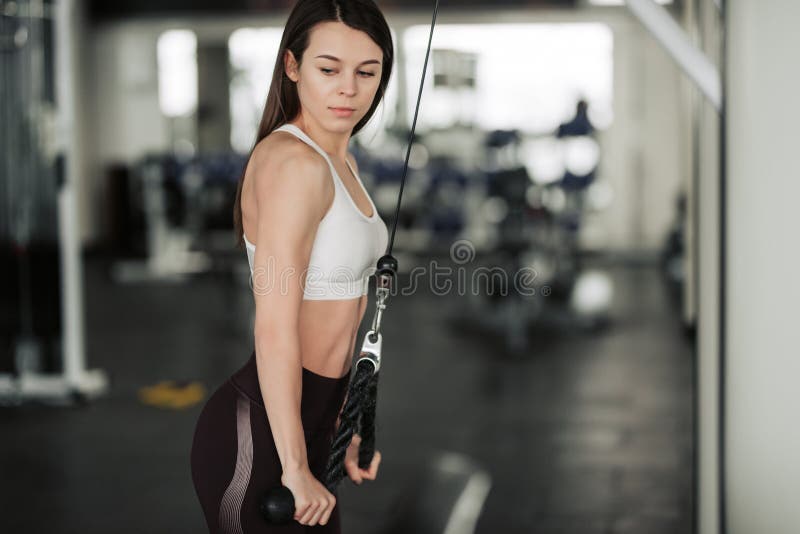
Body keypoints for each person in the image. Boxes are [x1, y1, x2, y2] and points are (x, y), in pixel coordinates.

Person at [190, 1, 392, 531]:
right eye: (329, 69)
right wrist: (296, 466)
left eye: (367, 72)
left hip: (315, 422)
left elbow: (347, 310)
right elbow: (276, 328)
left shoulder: (340, 161)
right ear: (292, 66)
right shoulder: (293, 163)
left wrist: (345, 420)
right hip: (261, 440)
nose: (349, 88)